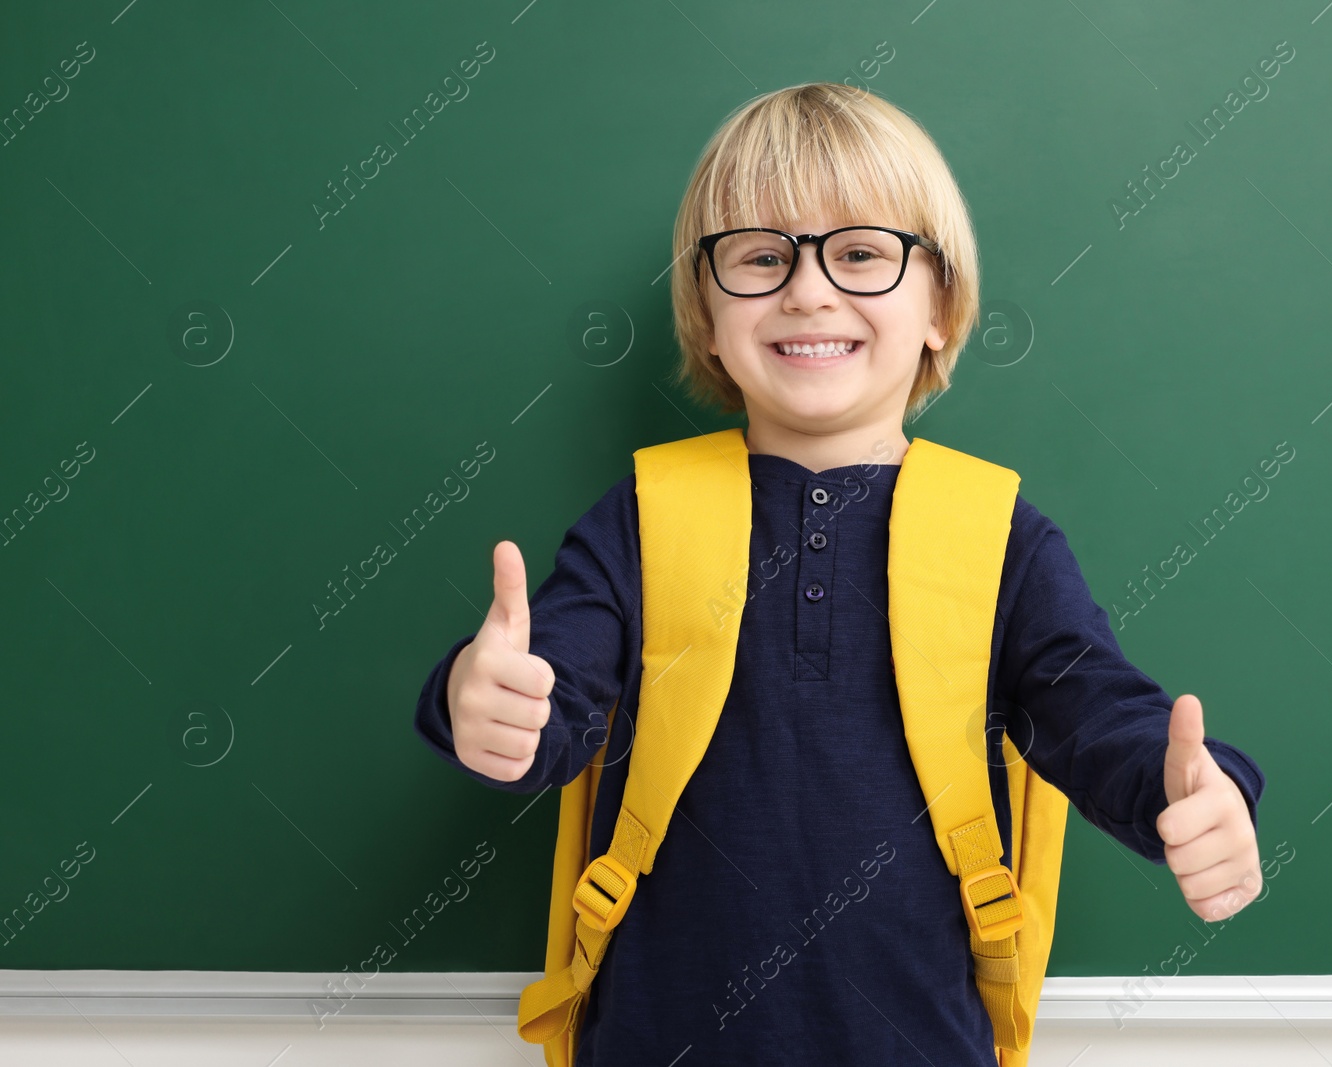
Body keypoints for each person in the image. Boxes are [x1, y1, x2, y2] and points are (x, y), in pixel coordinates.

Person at [414, 81, 1266, 1066]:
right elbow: (546, 701)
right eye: (761, 256)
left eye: (861, 253)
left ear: (940, 304)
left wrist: (1190, 792)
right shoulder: (643, 518)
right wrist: (481, 701)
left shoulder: (998, 536)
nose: (809, 290)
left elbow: (1093, 711)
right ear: (706, 312)